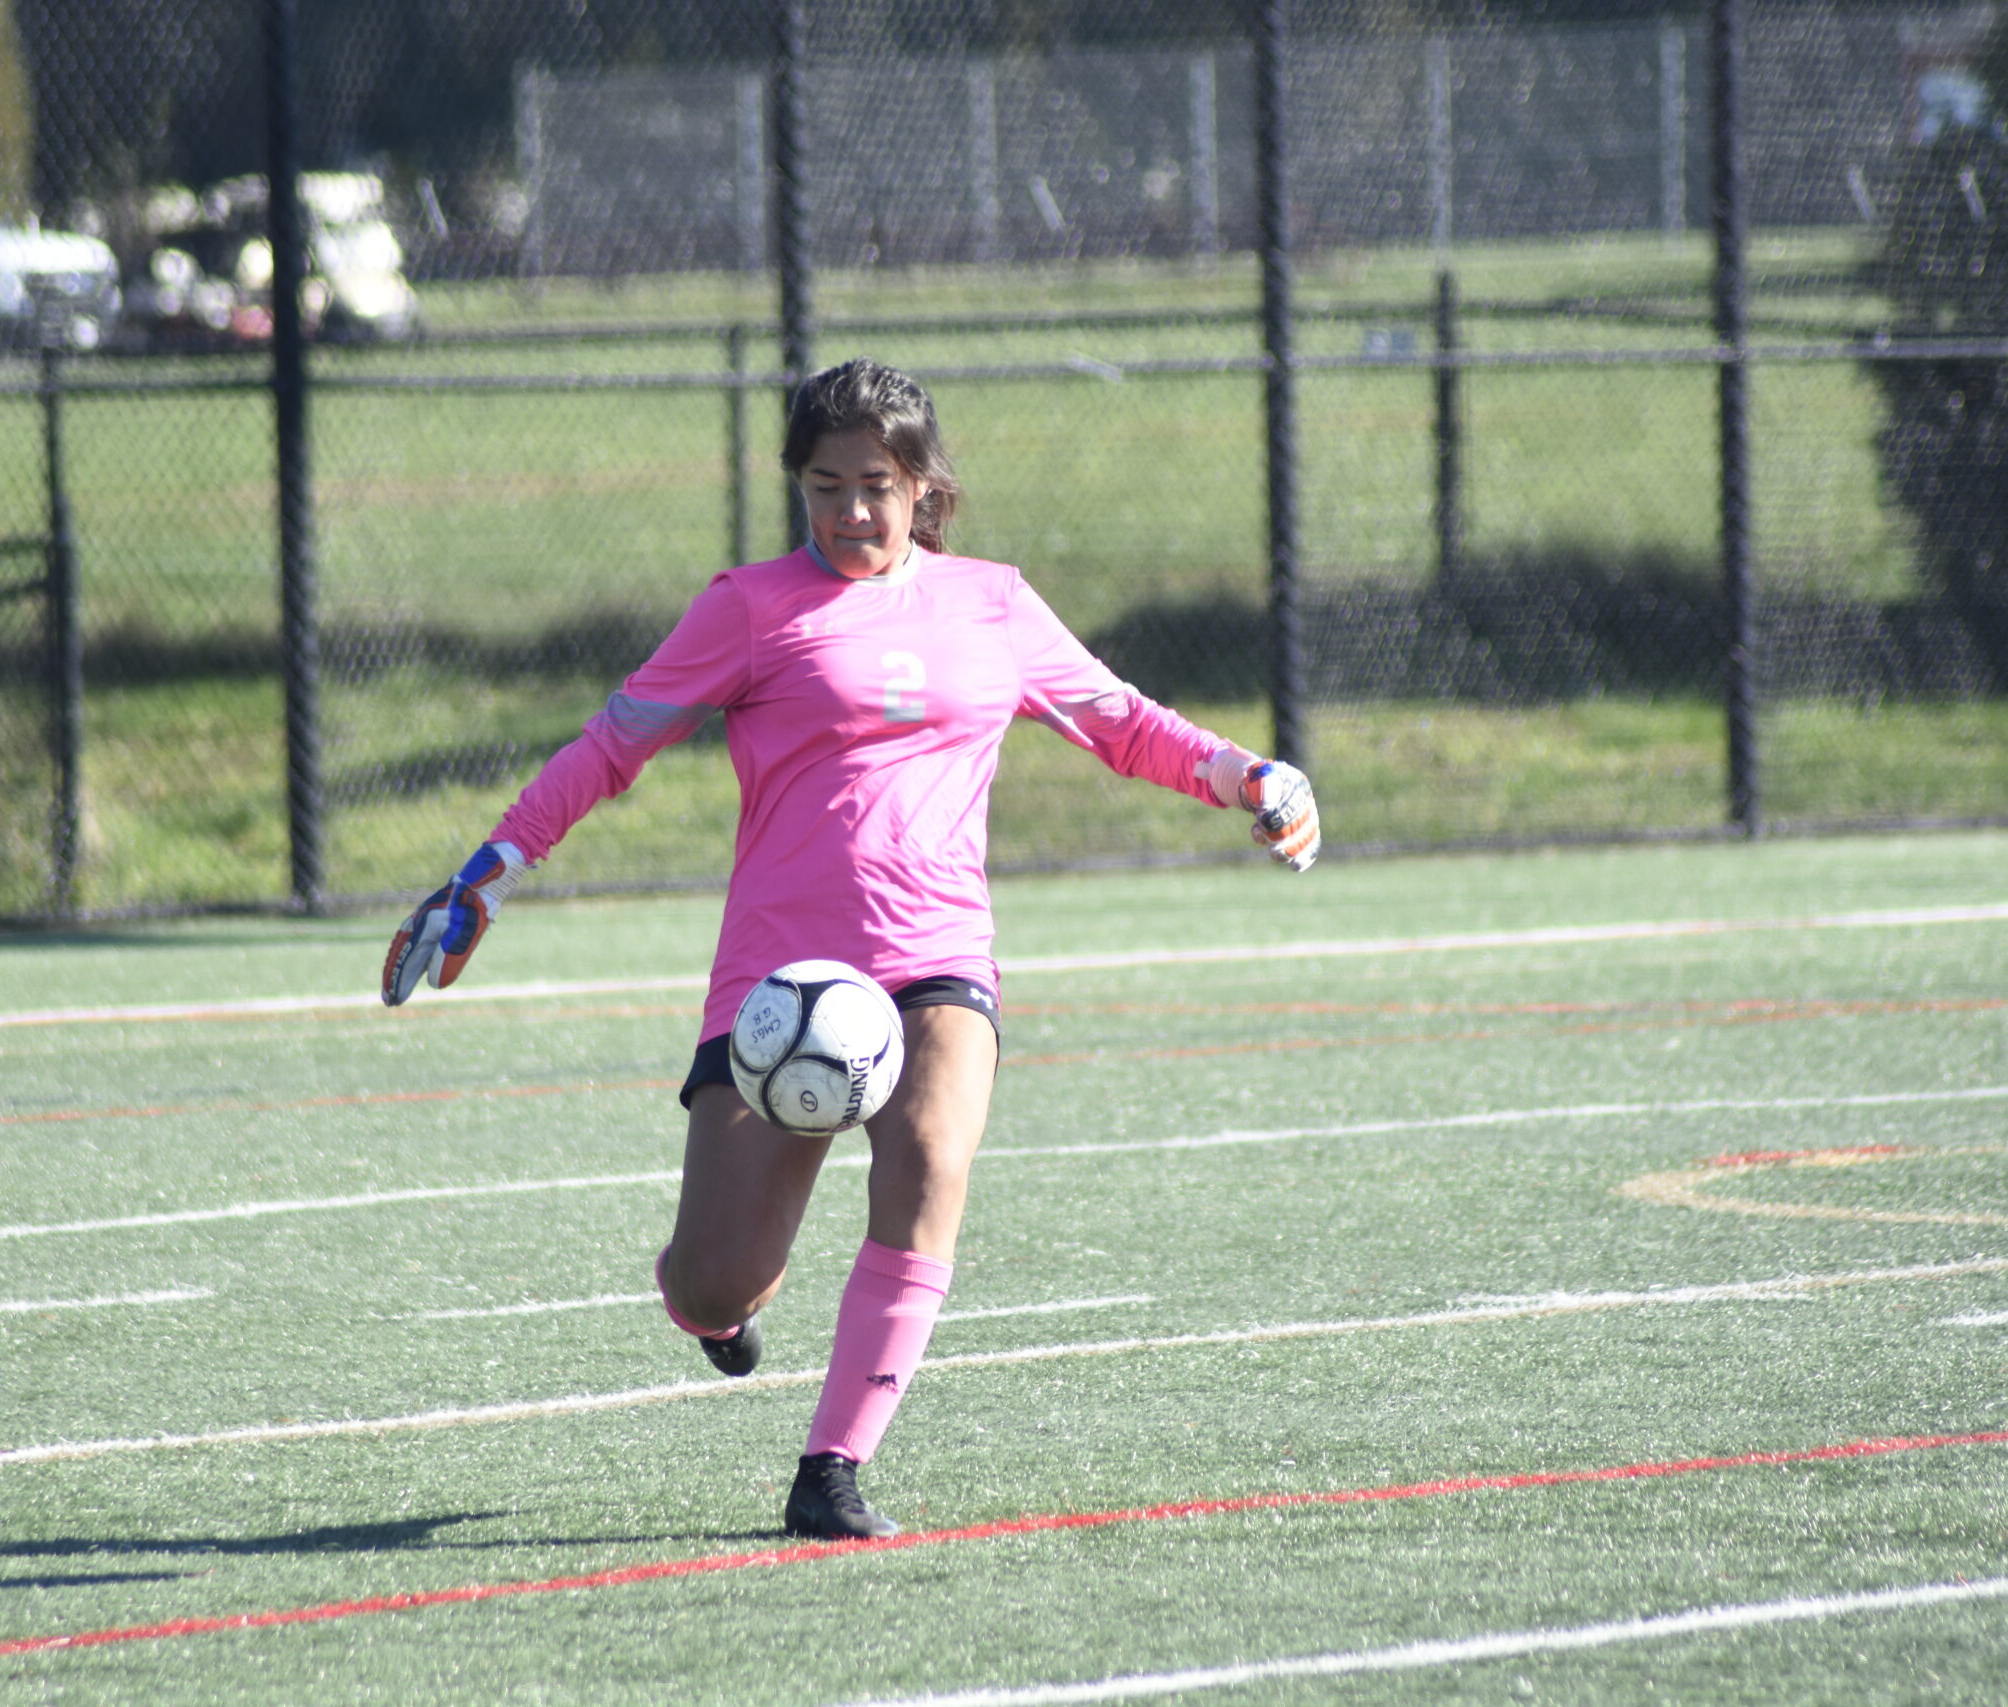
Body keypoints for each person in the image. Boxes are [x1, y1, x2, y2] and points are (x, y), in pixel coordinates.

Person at [382, 359, 1320, 1539]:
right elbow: (609, 746)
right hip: (779, 987)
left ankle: (830, 1468)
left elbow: (1121, 723)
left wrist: (1249, 776)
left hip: (936, 956)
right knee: (716, 1275)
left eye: (875, 485)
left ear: (923, 486)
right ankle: (710, 1313)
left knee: (928, 1159)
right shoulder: (747, 608)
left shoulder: (992, 602)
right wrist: (489, 872)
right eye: (824, 487)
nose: (850, 514)